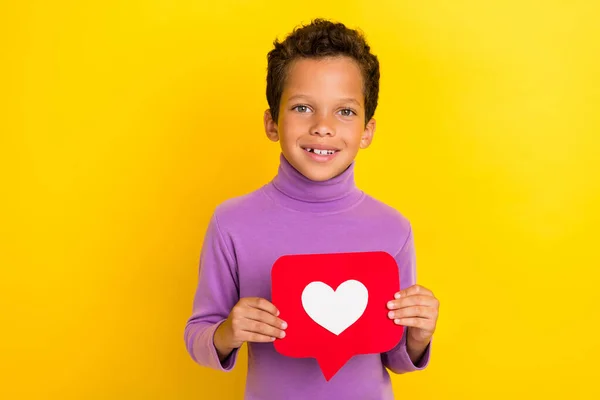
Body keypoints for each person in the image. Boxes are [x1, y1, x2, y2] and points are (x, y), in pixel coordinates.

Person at [184, 18, 440, 400]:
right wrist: (229, 331)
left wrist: (418, 336)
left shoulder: (393, 228)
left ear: (368, 130)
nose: (323, 127)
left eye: (345, 112)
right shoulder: (232, 222)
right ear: (272, 123)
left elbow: (395, 357)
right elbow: (199, 335)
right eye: (303, 107)